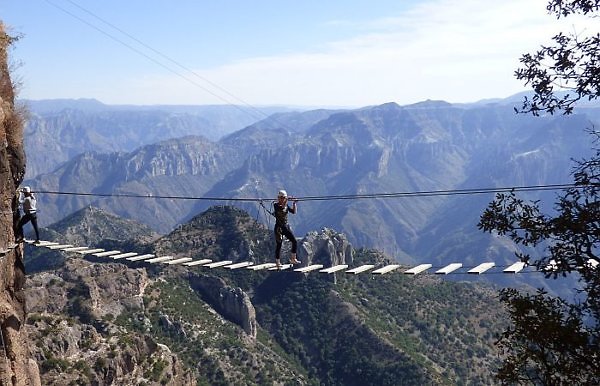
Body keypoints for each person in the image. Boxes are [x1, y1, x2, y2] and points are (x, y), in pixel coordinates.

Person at [273, 189, 299, 269]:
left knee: (294, 241)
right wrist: (287, 199)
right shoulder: (276, 205)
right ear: (278, 198)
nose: (283, 199)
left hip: (285, 226)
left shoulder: (286, 205)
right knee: (279, 245)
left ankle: (293, 258)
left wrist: (294, 203)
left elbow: (294, 212)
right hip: (279, 228)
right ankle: (277, 262)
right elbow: (282, 208)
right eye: (282, 197)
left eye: (283, 198)